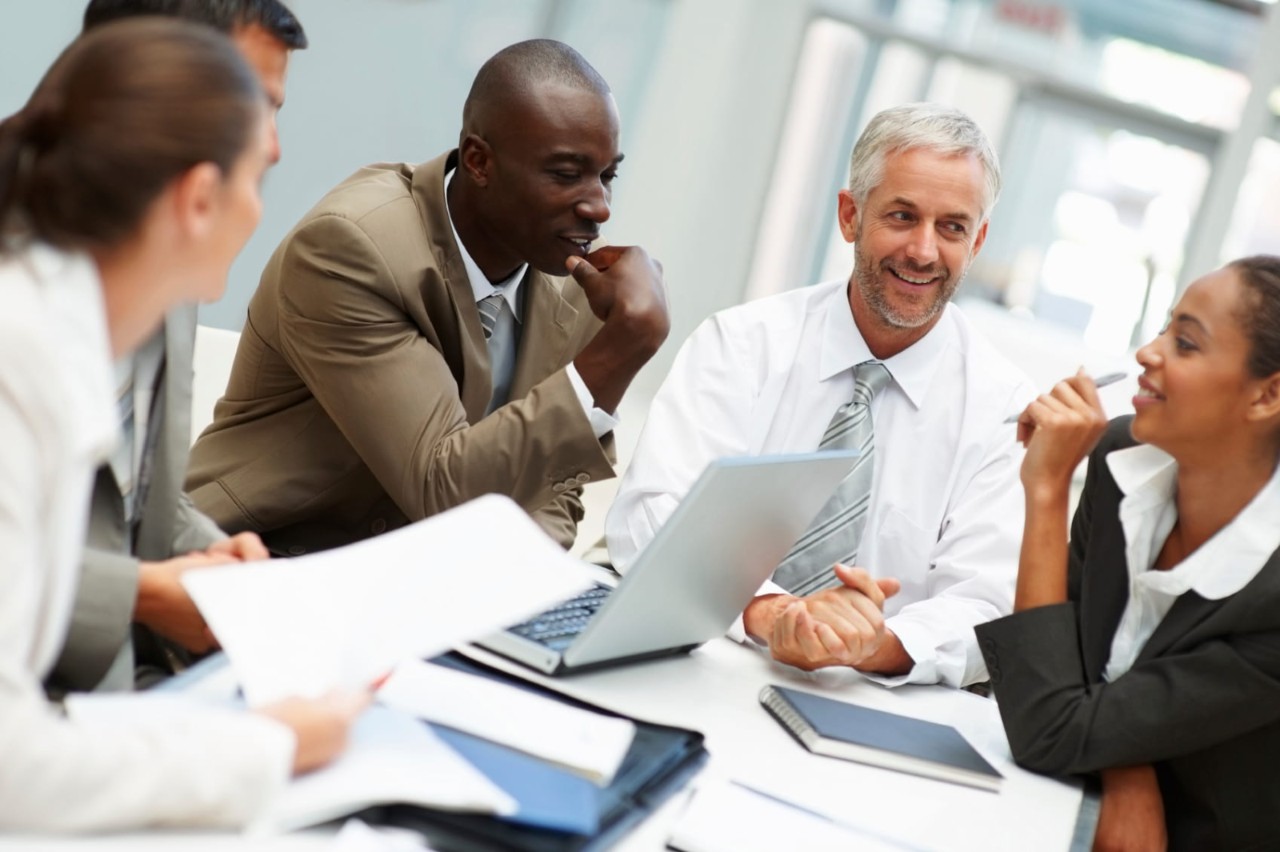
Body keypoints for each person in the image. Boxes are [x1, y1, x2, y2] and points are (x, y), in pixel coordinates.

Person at [0, 19, 361, 831]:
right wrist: (268, 746)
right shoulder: (19, 359)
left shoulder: (67, 319)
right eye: (252, 172)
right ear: (198, 197)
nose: (273, 157)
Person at [185, 38, 669, 556]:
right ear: (480, 162)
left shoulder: (574, 288)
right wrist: (619, 351)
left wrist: (517, 591)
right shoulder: (352, 248)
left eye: (607, 175)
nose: (600, 207)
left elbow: (553, 493)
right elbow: (443, 485)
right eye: (567, 174)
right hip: (250, 566)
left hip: (418, 595)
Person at [606, 103, 1034, 687]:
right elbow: (652, 513)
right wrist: (774, 612)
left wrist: (872, 643)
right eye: (902, 216)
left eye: (952, 227)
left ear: (978, 240)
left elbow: (985, 602)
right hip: (703, 663)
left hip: (868, 700)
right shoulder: (742, 344)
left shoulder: (1005, 408)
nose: (924, 250)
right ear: (849, 215)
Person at [47, 0, 309, 696]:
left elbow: (135, 507)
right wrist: (143, 591)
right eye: (256, 103)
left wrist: (215, 559)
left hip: (120, 687)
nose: (275, 145)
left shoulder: (173, 260)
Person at [977, 257, 1280, 851]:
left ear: (1268, 394)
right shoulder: (1122, 458)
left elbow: (1045, 721)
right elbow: (1061, 659)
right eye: (1164, 327)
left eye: (1185, 343)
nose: (1148, 351)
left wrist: (1046, 492)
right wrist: (1126, 771)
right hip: (1070, 808)